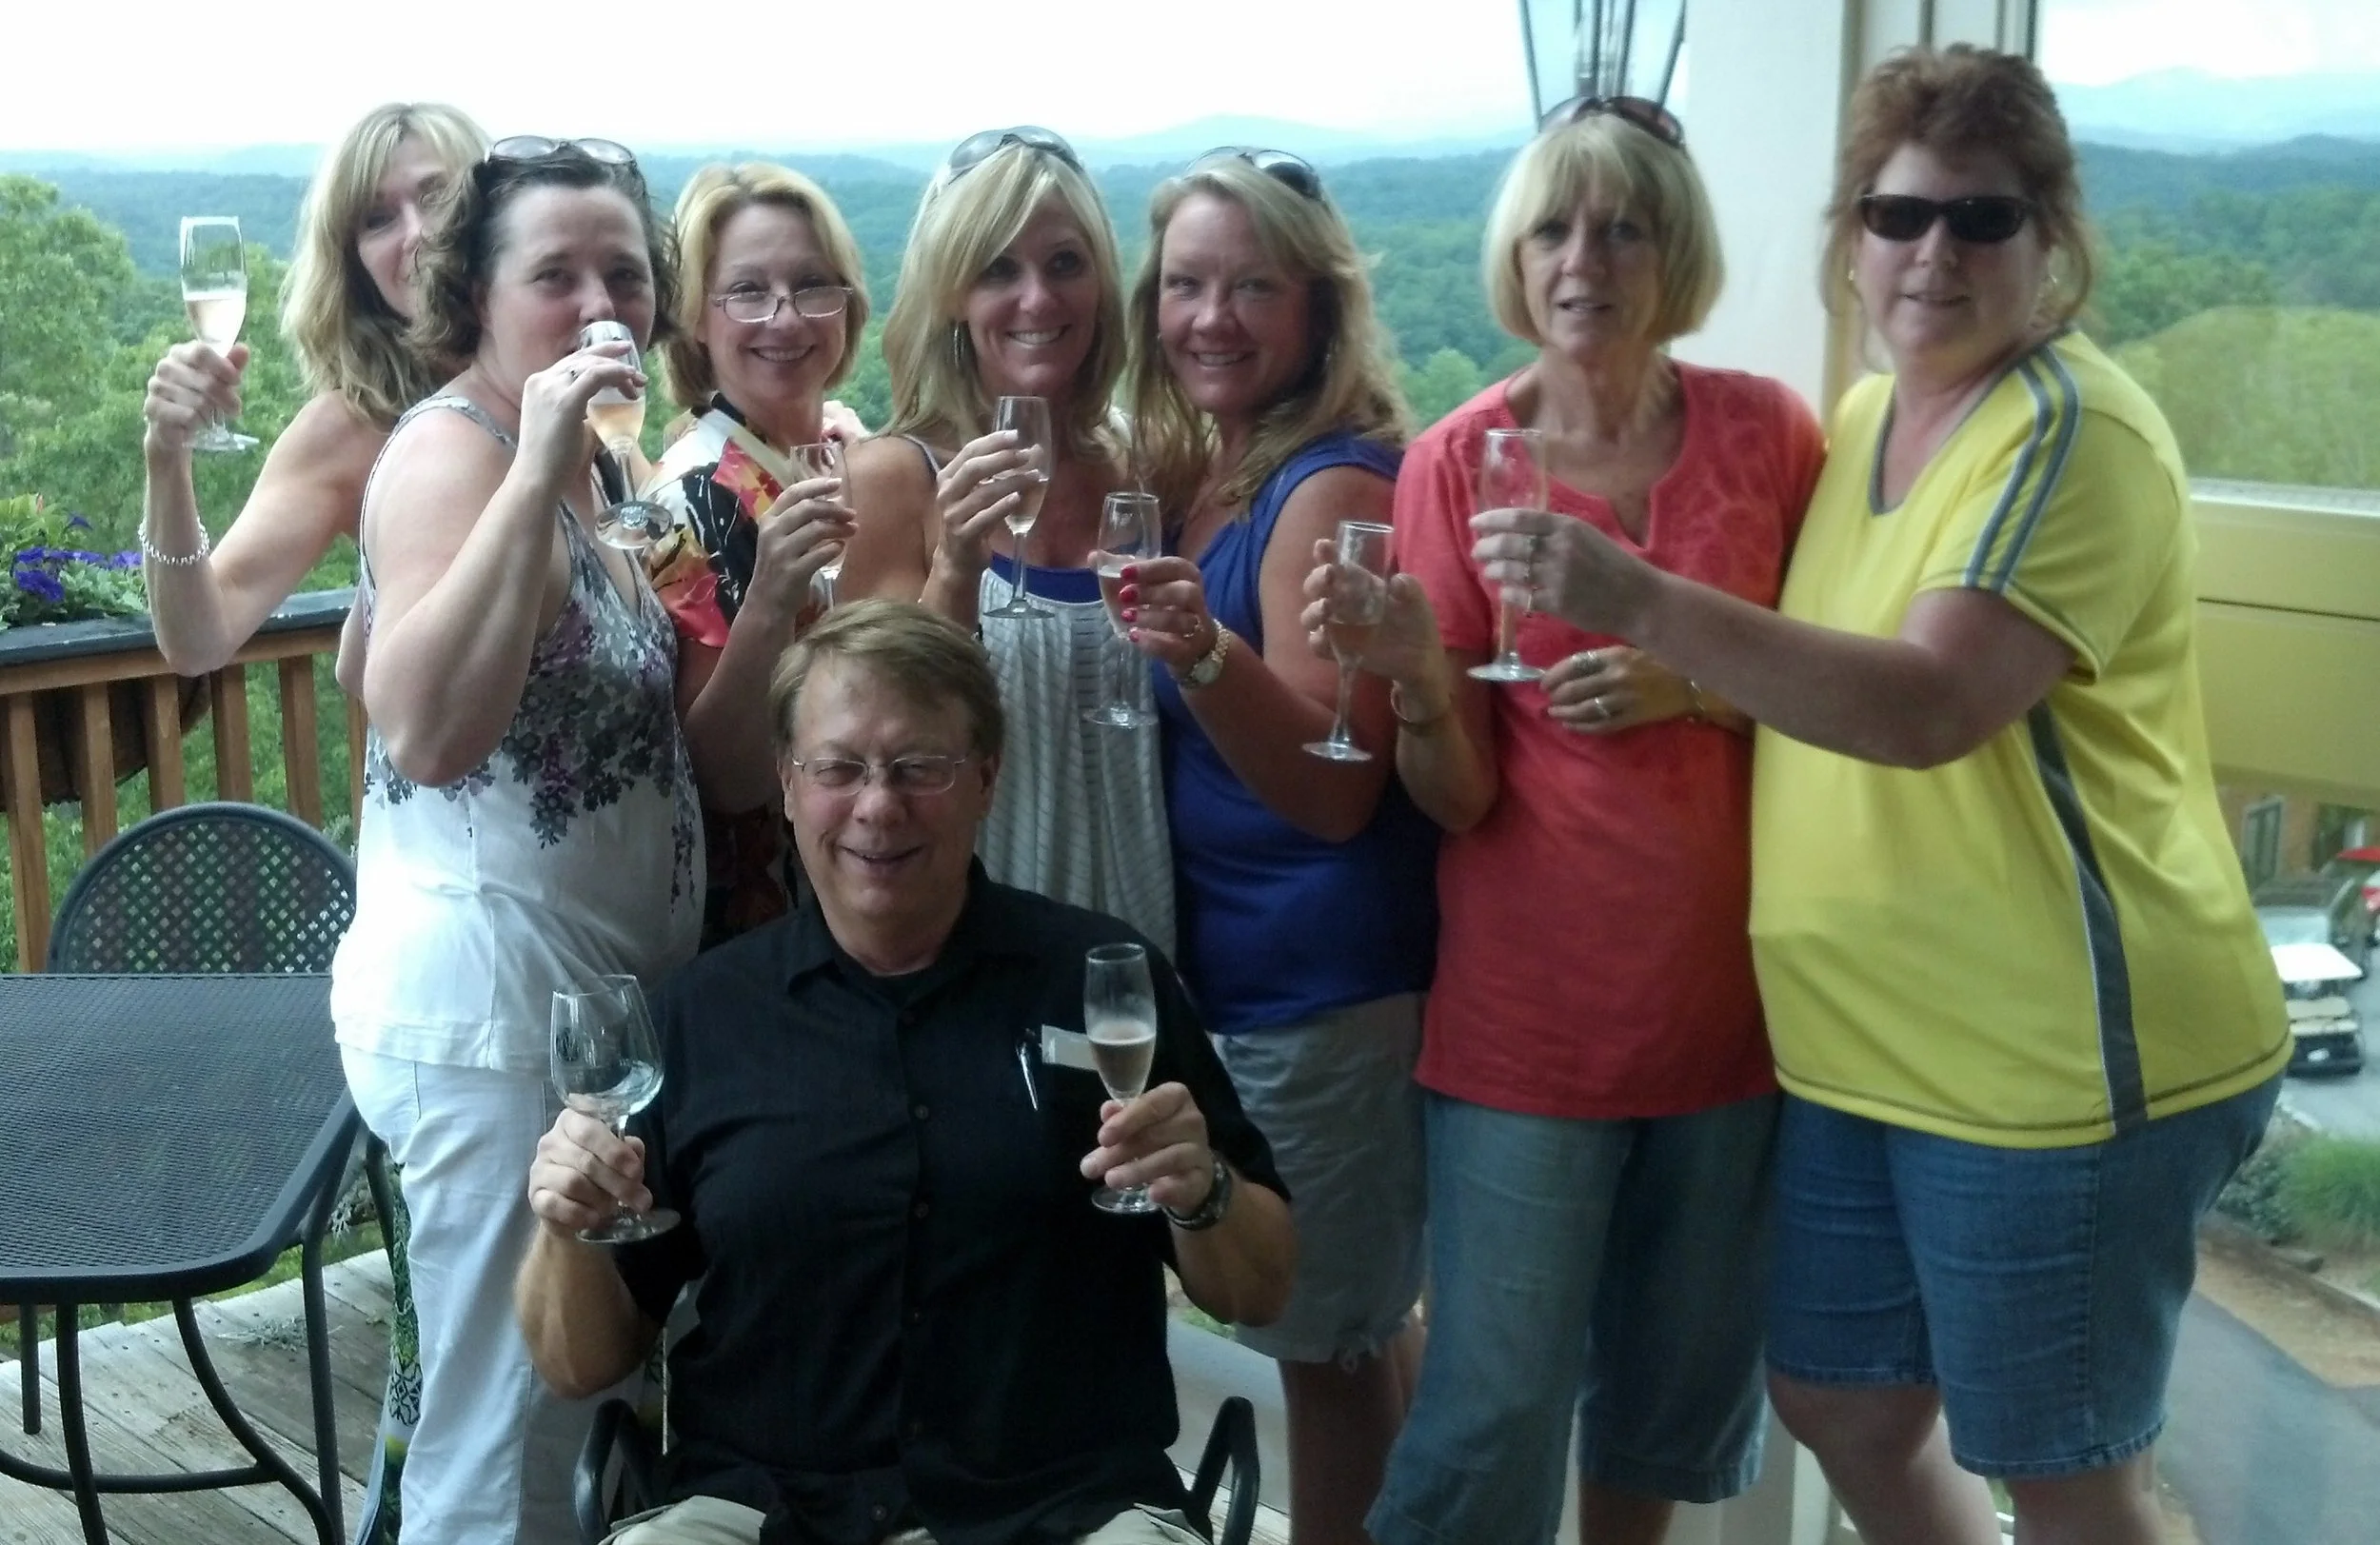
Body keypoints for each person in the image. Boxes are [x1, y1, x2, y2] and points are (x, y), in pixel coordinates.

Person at [1466, 48, 2287, 1545]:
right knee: (1840, 1398)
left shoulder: (2067, 433)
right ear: (1852, 242)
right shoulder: (1856, 429)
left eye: (1985, 220)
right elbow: (1815, 671)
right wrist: (1688, 679)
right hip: (1863, 1049)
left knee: (2069, 1468)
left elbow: (1926, 705)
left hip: (2054, 1064)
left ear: (2057, 244)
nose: (1934, 254)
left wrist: (1634, 597)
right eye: (1900, 218)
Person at [1310, 98, 1824, 1545]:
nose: (1583, 256)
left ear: (1678, 252)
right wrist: (1417, 678)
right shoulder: (1458, 463)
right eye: (1553, 226)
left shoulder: (1770, 437)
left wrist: (1695, 679)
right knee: (1490, 1416)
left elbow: (1842, 698)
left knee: (1664, 1405)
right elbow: (1460, 793)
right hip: (1530, 1031)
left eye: (1623, 225)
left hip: (1735, 1021)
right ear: (1515, 258)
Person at [515, 600, 1297, 1545]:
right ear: (788, 787)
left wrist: (1203, 1189)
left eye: (919, 767)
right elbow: (576, 1364)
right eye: (838, 768)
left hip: (1065, 1508)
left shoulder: (1101, 987)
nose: (877, 806)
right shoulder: (700, 1017)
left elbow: (1258, 1291)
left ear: (986, 780)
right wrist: (565, 1227)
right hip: (764, 1511)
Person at [332, 136, 703, 1545]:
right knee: (502, 1432)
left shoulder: (615, 473)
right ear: (475, 295)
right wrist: (537, 461)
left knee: (579, 1393)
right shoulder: (454, 450)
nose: (601, 299)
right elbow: (424, 727)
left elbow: (686, 746)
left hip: (585, 1022)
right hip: (489, 1019)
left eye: (626, 269)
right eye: (556, 272)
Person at [1116, 149, 1434, 1545]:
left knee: (1331, 1342)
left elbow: (1335, 782)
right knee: (1351, 1325)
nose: (1213, 315)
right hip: (1248, 974)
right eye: (1187, 283)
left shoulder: (1335, 486)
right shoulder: (1217, 467)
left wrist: (1201, 649)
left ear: (1320, 304)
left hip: (1323, 981)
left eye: (1254, 285)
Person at [841, 127, 1173, 951]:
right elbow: (867, 735)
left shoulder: (1142, 464)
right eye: (998, 269)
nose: (1038, 299)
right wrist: (957, 567)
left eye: (1065, 263)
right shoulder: (895, 477)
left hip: (1144, 933)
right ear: (953, 294)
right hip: (979, 945)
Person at [139, 102, 486, 673]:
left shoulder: (554, 380)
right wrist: (165, 458)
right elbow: (199, 641)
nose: (416, 234)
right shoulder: (354, 428)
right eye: (378, 219)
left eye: (437, 197)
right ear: (356, 265)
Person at [643, 162, 869, 943]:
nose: (786, 318)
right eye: (746, 291)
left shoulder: (839, 456)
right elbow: (722, 773)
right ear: (697, 321)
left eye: (812, 284)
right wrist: (771, 601)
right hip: (762, 922)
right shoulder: (678, 505)